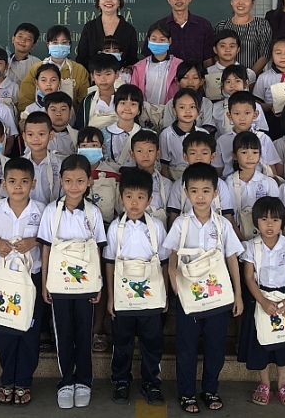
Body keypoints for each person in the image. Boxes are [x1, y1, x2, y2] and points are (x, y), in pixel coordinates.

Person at [165, 163, 244, 413]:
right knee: (186, 346)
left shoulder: (222, 225)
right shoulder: (181, 224)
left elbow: (232, 258)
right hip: (188, 296)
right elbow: (172, 255)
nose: (200, 196)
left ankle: (210, 389)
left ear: (216, 193)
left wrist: (238, 295)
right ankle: (187, 393)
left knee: (215, 346)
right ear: (186, 193)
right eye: (194, 191)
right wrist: (173, 277)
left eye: (206, 191)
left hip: (218, 297)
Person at [38, 155, 108, 410]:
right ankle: (66, 381)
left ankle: (84, 382)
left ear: (89, 181)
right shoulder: (51, 211)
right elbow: (46, 249)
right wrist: (45, 282)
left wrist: (98, 283)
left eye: (80, 181)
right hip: (59, 284)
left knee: (83, 332)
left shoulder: (93, 212)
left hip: (86, 285)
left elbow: (97, 250)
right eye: (68, 181)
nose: (74, 186)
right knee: (64, 333)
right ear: (61, 181)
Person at [0, 159, 47, 407]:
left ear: (33, 184)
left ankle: (23, 382)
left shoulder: (41, 210)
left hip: (31, 278)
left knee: (29, 332)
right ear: (3, 184)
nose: (18, 187)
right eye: (12, 181)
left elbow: (48, 237)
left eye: (24, 181)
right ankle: (7, 380)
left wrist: (34, 241)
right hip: (2, 280)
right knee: (4, 331)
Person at [104, 168, 169, 406]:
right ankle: (121, 380)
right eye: (129, 196)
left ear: (149, 200)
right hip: (123, 296)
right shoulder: (115, 228)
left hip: (151, 295)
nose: (134, 202)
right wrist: (111, 297)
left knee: (152, 342)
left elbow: (164, 262)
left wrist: (164, 294)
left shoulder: (156, 227)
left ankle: (151, 382)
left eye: (140, 197)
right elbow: (109, 263)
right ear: (121, 197)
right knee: (122, 342)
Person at [238, 197, 285, 406]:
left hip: (284, 299)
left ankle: (283, 383)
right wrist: (263, 301)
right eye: (264, 219)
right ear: (256, 221)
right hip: (260, 299)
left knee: (284, 340)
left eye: (275, 220)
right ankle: (264, 383)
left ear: (282, 222)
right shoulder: (250, 247)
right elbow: (248, 277)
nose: (269, 224)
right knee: (261, 343)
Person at [165, 132, 239, 232]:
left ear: (213, 156)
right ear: (185, 156)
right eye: (193, 153)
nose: (198, 157)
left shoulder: (221, 185)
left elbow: (228, 217)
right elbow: (173, 218)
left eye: (204, 153)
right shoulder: (179, 185)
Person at [18, 26, 90, 111]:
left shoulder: (79, 70)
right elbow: (25, 98)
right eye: (55, 42)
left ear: (69, 45)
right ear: (48, 45)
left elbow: (83, 101)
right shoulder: (36, 69)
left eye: (64, 42)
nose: (59, 46)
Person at [215, 91, 281, 179]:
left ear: (255, 114)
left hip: (260, 184)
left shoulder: (263, 139)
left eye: (247, 113)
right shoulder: (222, 141)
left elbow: (271, 169)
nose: (242, 118)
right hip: (230, 184)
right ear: (229, 116)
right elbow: (218, 171)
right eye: (237, 113)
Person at [227, 132, 281, 240]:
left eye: (255, 152)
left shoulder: (268, 182)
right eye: (244, 152)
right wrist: (241, 240)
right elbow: (230, 216)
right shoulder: (230, 182)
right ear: (234, 155)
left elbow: (276, 214)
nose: (250, 157)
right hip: (239, 235)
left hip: (266, 236)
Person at [146, 0, 214, 63]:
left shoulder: (204, 25)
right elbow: (148, 59)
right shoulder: (158, 27)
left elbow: (208, 60)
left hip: (197, 72)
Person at [213, 0, 273, 75]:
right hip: (225, 79)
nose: (240, 2)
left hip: (253, 79)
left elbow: (265, 54)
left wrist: (249, 76)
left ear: (253, 2)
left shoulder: (261, 25)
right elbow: (214, 53)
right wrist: (227, 76)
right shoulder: (221, 26)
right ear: (231, 1)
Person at [76, 0, 138, 69]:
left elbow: (132, 60)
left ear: (119, 1)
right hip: (93, 76)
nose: (108, 0)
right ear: (98, 2)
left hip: (120, 76)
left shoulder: (129, 29)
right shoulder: (89, 28)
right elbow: (82, 59)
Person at [159, 89, 209, 182]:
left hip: (200, 177)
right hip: (175, 178)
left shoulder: (204, 134)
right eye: (182, 107)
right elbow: (164, 166)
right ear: (174, 110)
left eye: (192, 107)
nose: (187, 111)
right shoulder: (166, 134)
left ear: (198, 110)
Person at [131, 23, 183, 107]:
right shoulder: (139, 67)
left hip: (171, 110)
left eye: (162, 40)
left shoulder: (179, 65)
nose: (158, 43)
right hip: (145, 111)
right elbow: (134, 92)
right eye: (154, 39)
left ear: (169, 41)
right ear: (148, 40)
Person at [130, 130, 172, 223]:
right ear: (132, 154)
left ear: (158, 154)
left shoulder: (166, 184)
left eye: (150, 151)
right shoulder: (126, 182)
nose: (145, 155)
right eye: (140, 151)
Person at [21, 112, 62, 204]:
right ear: (24, 136)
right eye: (30, 134)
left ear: (51, 135)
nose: (36, 139)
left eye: (41, 134)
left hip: (53, 211)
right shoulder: (18, 165)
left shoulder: (60, 165)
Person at [162, 61, 215, 132]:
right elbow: (167, 129)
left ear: (201, 81)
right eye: (185, 77)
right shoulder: (171, 103)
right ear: (177, 81)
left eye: (195, 78)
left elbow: (208, 127)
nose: (190, 82)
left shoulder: (206, 103)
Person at [77, 54, 120, 130]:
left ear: (116, 74)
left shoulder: (125, 99)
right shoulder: (87, 102)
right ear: (92, 76)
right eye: (98, 75)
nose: (103, 79)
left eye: (108, 74)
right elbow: (81, 128)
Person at [104, 84, 143, 169]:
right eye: (123, 103)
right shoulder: (103, 134)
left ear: (139, 109)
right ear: (115, 105)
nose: (127, 108)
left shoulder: (147, 135)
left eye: (133, 104)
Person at [7, 23, 41, 88]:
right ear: (13, 39)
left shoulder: (37, 63)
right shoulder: (5, 62)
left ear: (33, 45)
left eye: (28, 39)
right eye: (20, 36)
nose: (23, 41)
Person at [45, 92, 78, 158]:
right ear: (46, 113)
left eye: (63, 109)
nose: (58, 113)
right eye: (53, 110)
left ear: (70, 113)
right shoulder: (39, 136)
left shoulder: (78, 136)